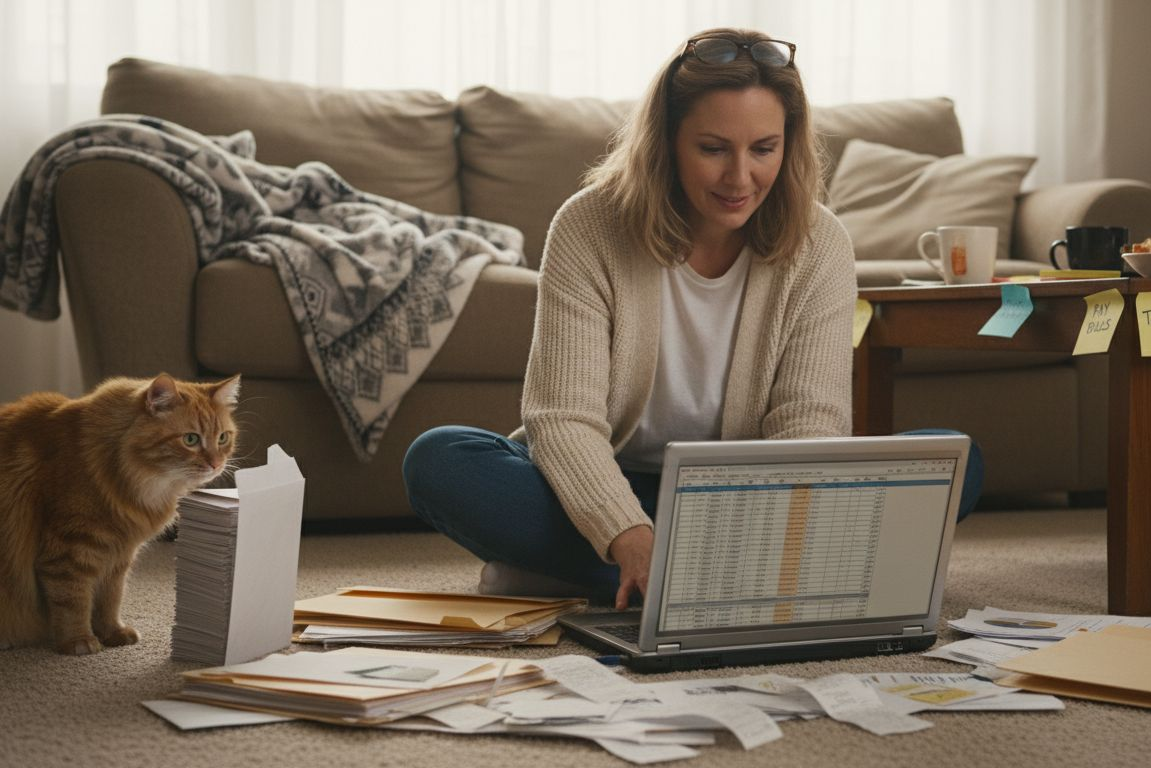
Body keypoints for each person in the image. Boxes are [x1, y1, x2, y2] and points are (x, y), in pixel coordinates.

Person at [403, 28, 982, 609]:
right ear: (668, 142)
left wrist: (788, 520)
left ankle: (584, 577)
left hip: (747, 502)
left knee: (952, 457)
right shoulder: (587, 227)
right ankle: (678, 574)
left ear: (789, 144)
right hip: (607, 487)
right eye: (712, 149)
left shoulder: (821, 242)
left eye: (763, 149)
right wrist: (627, 533)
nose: (740, 178)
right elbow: (562, 419)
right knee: (440, 459)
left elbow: (809, 422)